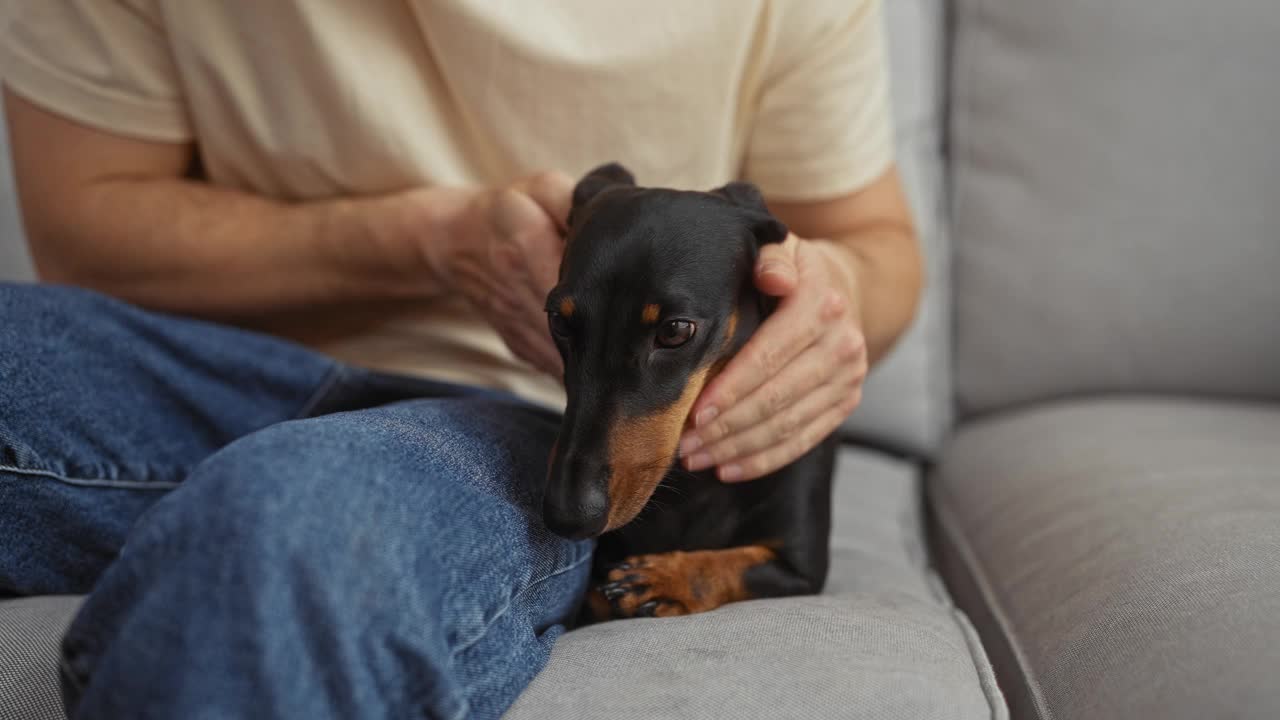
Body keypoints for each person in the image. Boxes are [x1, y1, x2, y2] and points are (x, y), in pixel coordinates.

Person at [0, 1, 922, 717]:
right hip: (198, 365)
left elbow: (870, 247)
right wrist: (432, 242)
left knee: (283, 526)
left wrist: (826, 300)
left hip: (496, 430)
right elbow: (82, 234)